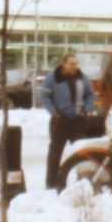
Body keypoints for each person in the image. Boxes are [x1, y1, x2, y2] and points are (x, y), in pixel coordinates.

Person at [39, 52, 96, 190]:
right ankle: (51, 183)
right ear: (63, 64)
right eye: (71, 64)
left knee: (82, 153)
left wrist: (85, 110)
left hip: (78, 121)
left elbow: (90, 95)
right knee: (55, 153)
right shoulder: (53, 78)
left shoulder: (82, 77)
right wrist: (54, 112)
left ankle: (84, 182)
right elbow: (44, 96)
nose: (74, 66)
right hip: (60, 121)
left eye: (76, 63)